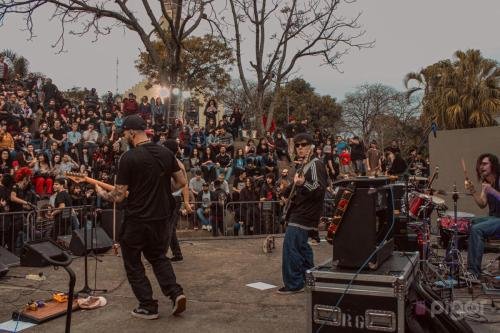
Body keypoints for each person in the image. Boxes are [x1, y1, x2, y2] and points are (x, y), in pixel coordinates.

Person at [95, 114, 187, 320]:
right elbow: (181, 182)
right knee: (158, 257)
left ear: (132, 132)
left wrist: (102, 194)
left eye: (125, 133)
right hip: (161, 219)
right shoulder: (165, 153)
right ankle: (176, 293)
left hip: (137, 219)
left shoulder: (129, 157)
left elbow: (118, 195)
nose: (124, 137)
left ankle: (147, 305)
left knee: (133, 262)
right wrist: (162, 189)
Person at [278, 133, 327, 294]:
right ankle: (308, 277)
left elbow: (319, 188)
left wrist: (303, 183)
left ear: (312, 147)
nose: (300, 148)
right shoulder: (302, 166)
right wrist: (285, 194)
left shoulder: (315, 164)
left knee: (290, 246)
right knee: (302, 247)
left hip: (304, 213)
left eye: (304, 145)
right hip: (302, 211)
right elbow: (294, 184)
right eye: (297, 145)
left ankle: (294, 283)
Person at [465, 153, 500, 280]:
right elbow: (482, 204)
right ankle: (461, 265)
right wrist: (473, 191)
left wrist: (493, 191)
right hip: (495, 218)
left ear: (493, 165)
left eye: (485, 164)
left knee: (477, 229)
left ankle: (474, 272)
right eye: (480, 164)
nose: (481, 167)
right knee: (467, 223)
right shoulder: (486, 183)